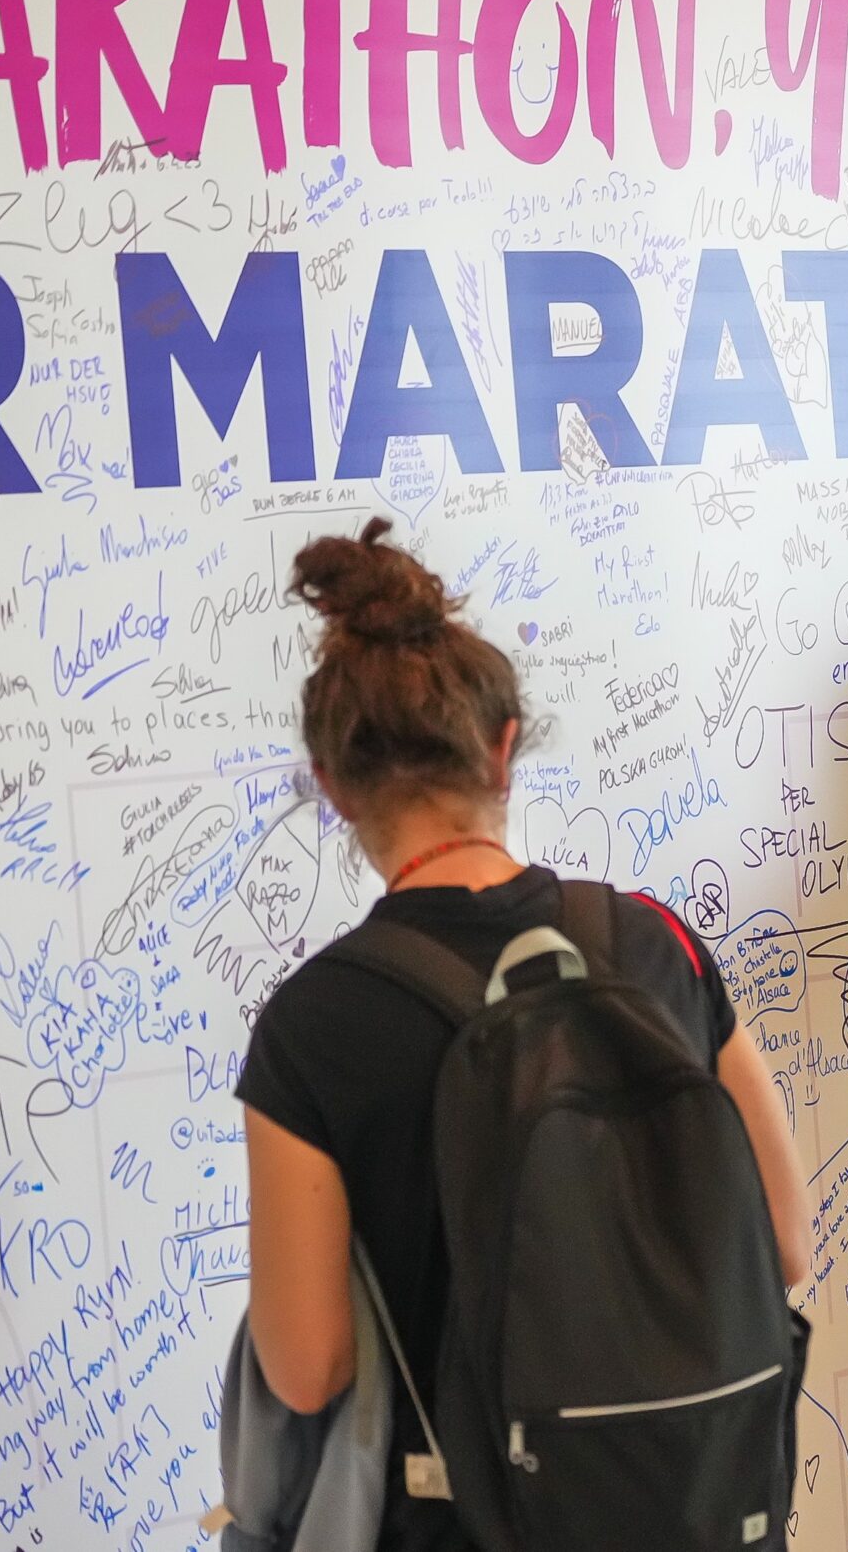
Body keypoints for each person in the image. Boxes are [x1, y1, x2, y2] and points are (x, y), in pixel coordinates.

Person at [236, 516, 811, 1551]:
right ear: (504, 750)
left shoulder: (314, 1024)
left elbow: (308, 1366)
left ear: (332, 787)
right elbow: (785, 1245)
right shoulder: (655, 945)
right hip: (697, 1516)